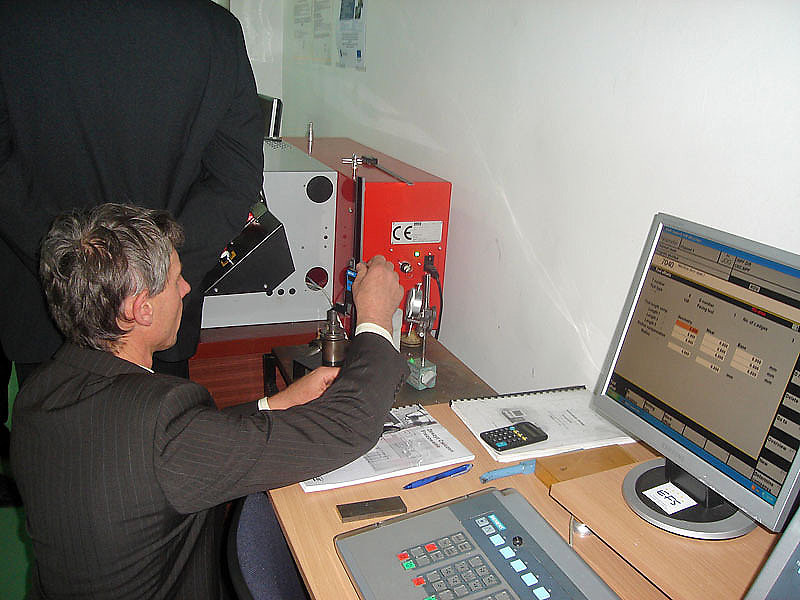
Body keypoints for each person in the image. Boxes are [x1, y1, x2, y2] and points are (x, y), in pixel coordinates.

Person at [10, 203, 407, 599]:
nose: (186, 289)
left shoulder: (42, 392)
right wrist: (375, 317)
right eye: (175, 280)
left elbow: (171, 450)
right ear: (141, 310)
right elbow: (348, 425)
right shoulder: (160, 426)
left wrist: (273, 405)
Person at [0, 0, 264, 382]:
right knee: (166, 420)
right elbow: (234, 180)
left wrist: (73, 273)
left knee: (54, 419)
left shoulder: (14, 19)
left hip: (52, 309)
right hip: (155, 316)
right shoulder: (213, 28)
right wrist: (158, 281)